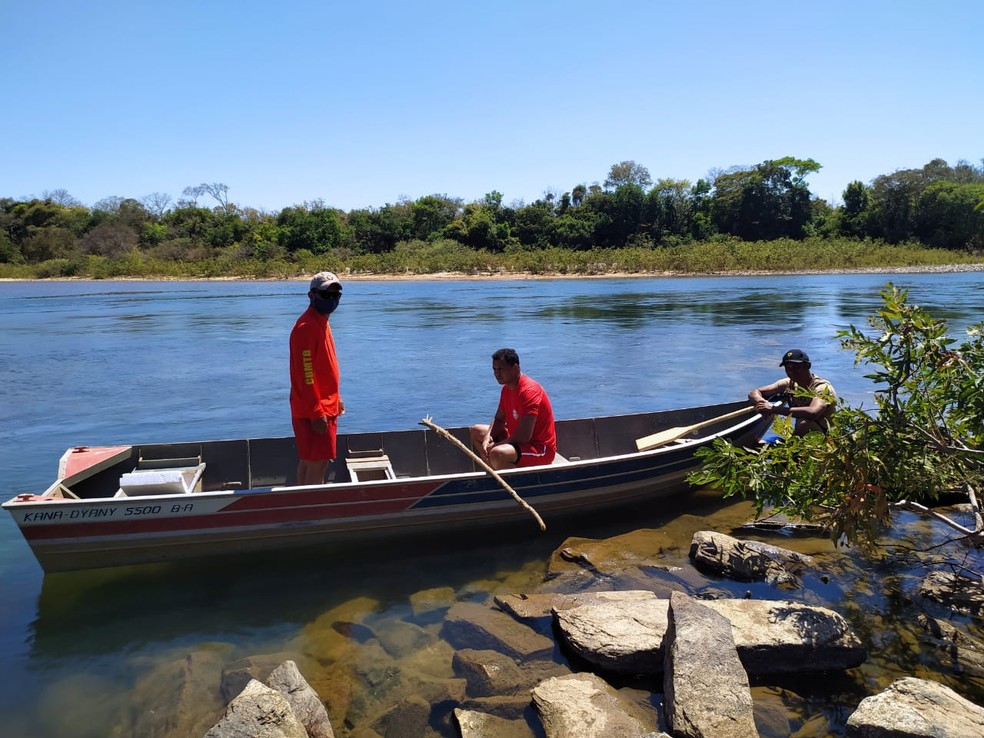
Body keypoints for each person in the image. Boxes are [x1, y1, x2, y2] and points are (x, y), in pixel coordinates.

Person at [289, 271, 345, 485]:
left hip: (325, 404)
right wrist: (316, 412)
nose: (331, 300)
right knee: (318, 463)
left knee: (309, 460)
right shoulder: (306, 327)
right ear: (311, 295)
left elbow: (324, 368)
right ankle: (313, 510)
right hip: (315, 408)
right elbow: (305, 375)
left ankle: (301, 504)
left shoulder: (322, 322)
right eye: (325, 295)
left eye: (335, 295)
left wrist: (337, 397)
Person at [469, 348, 557, 470]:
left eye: (501, 369)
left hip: (539, 449)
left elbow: (524, 436)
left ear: (515, 368)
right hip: (516, 441)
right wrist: (488, 438)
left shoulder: (529, 391)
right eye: (494, 369)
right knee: (476, 431)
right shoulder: (506, 389)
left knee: (497, 453)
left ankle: (507, 478)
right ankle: (494, 470)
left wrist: (496, 446)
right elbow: (499, 419)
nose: (497, 374)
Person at [749, 349, 836, 436]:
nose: (792, 372)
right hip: (800, 434)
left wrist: (773, 409)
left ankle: (791, 445)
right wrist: (762, 404)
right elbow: (754, 392)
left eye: (796, 367)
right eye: (788, 368)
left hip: (824, 436)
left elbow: (813, 412)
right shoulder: (788, 384)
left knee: (803, 422)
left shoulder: (822, 387)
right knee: (758, 442)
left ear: (808, 366)